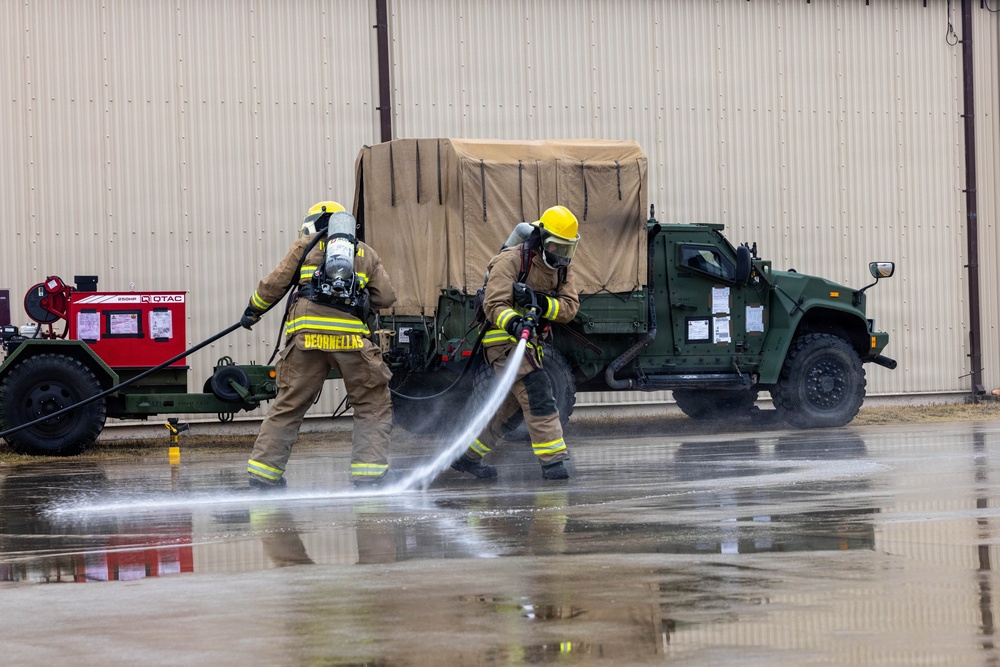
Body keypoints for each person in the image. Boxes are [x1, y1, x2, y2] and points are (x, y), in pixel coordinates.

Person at [241, 201, 397, 489]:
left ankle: (264, 475)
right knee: (372, 403)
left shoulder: (305, 246)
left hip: (306, 340)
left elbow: (275, 284)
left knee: (289, 405)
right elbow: (386, 297)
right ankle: (370, 475)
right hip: (351, 341)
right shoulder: (365, 253)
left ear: (313, 223)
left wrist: (253, 310)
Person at [451, 205, 581, 481]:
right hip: (502, 340)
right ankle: (553, 463)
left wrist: (541, 302)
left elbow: (570, 307)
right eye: (557, 246)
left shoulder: (562, 269)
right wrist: (513, 322)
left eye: (567, 248)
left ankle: (467, 456)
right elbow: (494, 304)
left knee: (509, 411)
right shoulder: (511, 260)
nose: (562, 254)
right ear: (542, 239)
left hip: (530, 344)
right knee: (537, 391)